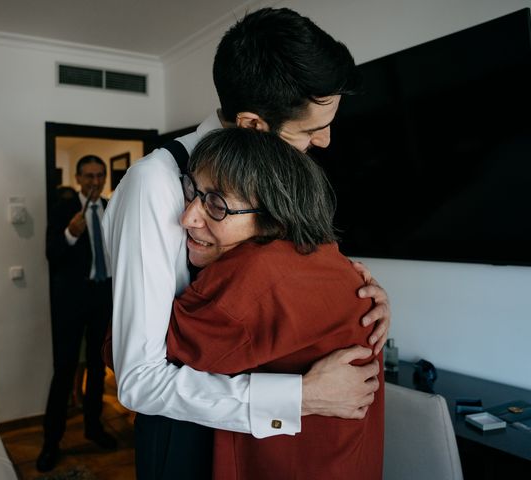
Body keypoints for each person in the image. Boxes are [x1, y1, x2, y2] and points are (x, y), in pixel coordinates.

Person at [102, 7, 390, 478]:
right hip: (188, 435)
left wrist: (359, 299)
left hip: (261, 448)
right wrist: (304, 397)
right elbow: (139, 380)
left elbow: (284, 272)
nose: (326, 141)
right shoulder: (154, 184)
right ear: (255, 125)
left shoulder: (277, 173)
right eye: (311, 129)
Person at [167, 127, 384, 479]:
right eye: (192, 190)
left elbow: (130, 354)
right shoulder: (330, 260)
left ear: (274, 217)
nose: (188, 216)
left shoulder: (253, 275)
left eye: (216, 205)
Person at [37, 155, 116, 472]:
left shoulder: (112, 208)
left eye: (99, 176)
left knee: (98, 367)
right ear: (78, 178)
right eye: (88, 176)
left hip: (104, 298)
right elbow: (51, 253)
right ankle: (50, 442)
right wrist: (70, 233)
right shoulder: (62, 209)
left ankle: (93, 427)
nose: (94, 182)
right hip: (70, 303)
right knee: (64, 370)